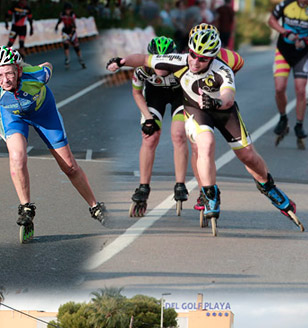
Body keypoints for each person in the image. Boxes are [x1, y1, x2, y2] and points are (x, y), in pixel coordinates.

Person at [108, 24, 303, 230]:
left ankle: (268, 186)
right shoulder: (181, 60)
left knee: (248, 156)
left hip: (223, 111)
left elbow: (228, 97)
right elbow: (143, 59)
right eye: (193, 54)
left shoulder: (223, 69)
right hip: (195, 109)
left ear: (212, 57)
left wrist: (217, 102)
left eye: (203, 58)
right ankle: (210, 193)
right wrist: (121, 61)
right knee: (205, 144)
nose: (195, 61)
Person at [0, 46, 106, 240]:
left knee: (69, 167)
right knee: (17, 157)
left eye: (9, 73)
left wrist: (37, 66)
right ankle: (26, 208)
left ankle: (95, 206)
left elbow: (47, 65)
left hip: (43, 113)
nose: (5, 80)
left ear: (19, 71)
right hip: (14, 117)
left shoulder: (37, 76)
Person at [129, 35, 189, 217]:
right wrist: (147, 117)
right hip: (155, 96)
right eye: (158, 62)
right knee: (150, 137)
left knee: (178, 134)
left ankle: (180, 184)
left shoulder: (183, 68)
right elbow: (137, 93)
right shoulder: (142, 70)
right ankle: (143, 187)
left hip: (180, 95)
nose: (161, 67)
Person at [268, 0, 308, 145]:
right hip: (283, 51)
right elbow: (271, 20)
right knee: (279, 88)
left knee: (300, 90)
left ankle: (299, 125)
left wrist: (305, 40)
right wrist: (285, 32)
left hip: (303, 54)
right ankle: (283, 118)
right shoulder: (286, 4)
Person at [55, 5, 87, 69]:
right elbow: (59, 21)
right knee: (66, 44)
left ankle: (80, 59)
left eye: (69, 10)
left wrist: (71, 34)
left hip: (72, 32)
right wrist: (56, 27)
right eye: (66, 10)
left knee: (76, 47)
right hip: (65, 32)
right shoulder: (62, 14)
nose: (67, 11)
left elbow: (74, 26)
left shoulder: (72, 15)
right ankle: (67, 59)